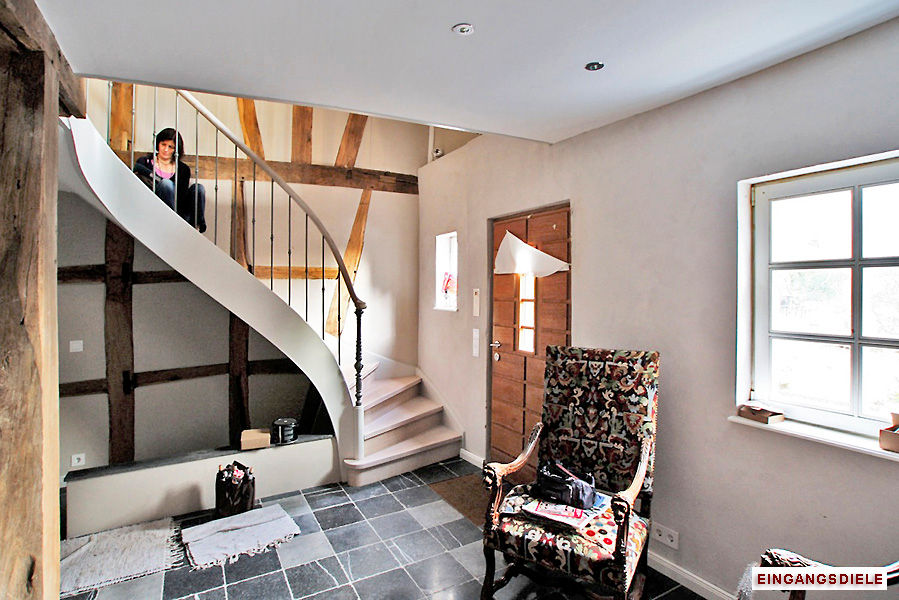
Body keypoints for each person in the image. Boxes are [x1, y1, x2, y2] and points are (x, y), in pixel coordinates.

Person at [134, 128, 207, 232]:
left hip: (180, 214)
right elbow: (137, 174)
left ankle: (198, 225)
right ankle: (171, 222)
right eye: (163, 144)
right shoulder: (145, 162)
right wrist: (161, 183)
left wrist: (156, 179)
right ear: (158, 143)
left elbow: (181, 198)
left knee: (199, 188)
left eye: (171, 147)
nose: (166, 149)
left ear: (176, 150)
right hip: (155, 210)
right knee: (166, 184)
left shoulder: (183, 169)